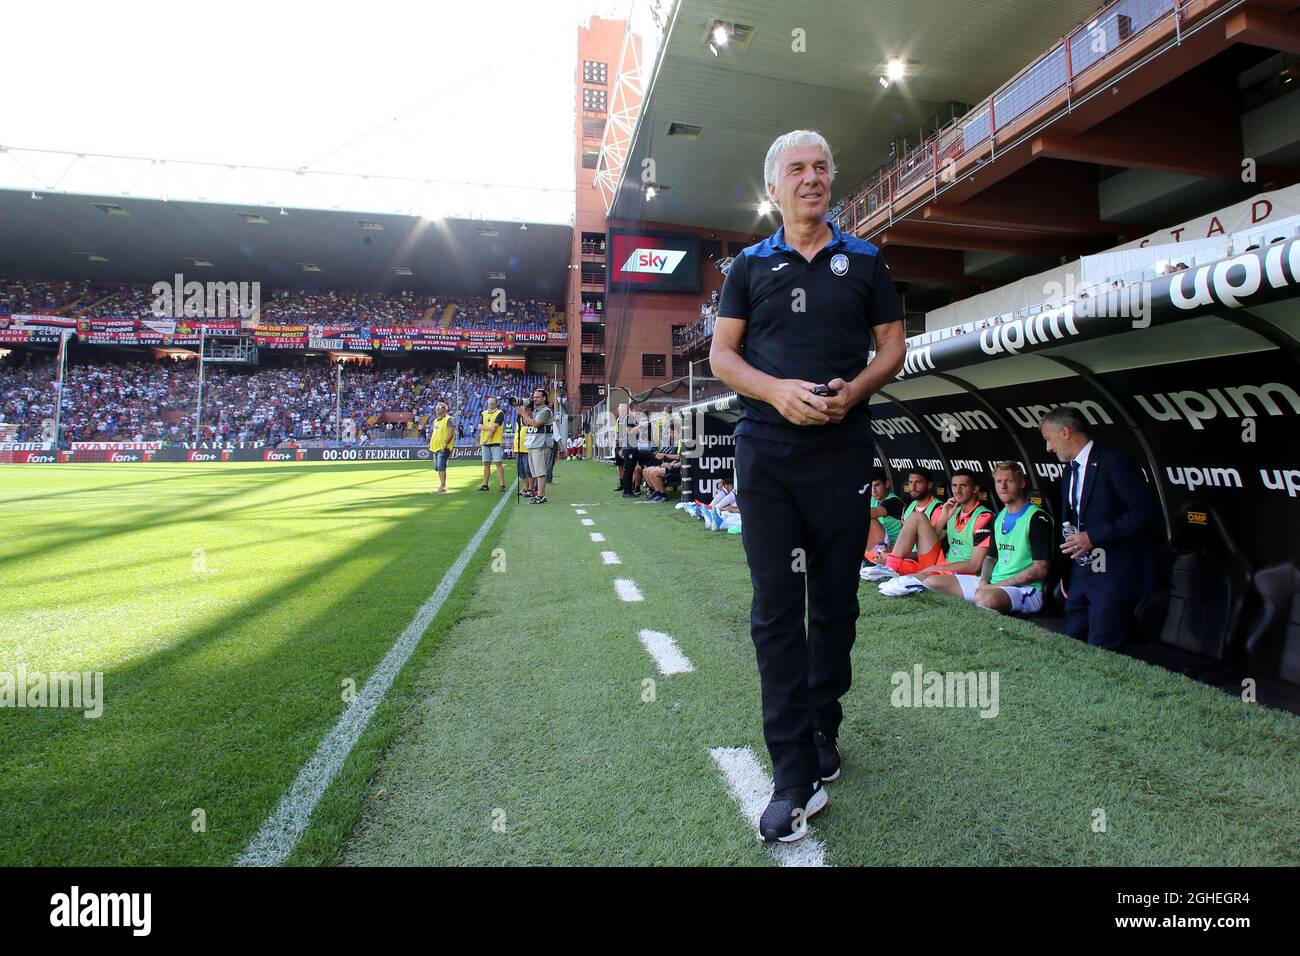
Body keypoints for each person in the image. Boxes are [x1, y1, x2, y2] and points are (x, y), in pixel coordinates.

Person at [708, 128, 906, 843]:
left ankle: (825, 722)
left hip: (843, 453)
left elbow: (893, 347)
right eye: (797, 168)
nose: (812, 177)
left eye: (822, 165)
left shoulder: (867, 260)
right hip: (765, 453)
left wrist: (851, 391)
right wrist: (777, 392)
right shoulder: (749, 267)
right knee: (774, 609)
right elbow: (722, 355)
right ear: (775, 187)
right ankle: (791, 774)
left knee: (836, 602)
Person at [1041, 406, 1163, 648]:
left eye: (1048, 439)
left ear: (1065, 432)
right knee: (1073, 640)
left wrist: (1094, 535)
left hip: (1114, 573)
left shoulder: (1114, 462)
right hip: (1082, 572)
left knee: (1103, 647)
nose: (1048, 448)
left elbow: (1147, 512)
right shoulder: (1070, 471)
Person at [912, 462, 1052, 612]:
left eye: (1009, 481)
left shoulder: (1037, 518)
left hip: (1025, 589)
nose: (1003, 486)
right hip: (993, 584)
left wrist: (997, 585)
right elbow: (990, 558)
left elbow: (1040, 569)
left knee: (986, 598)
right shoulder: (1000, 517)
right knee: (933, 582)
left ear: (1022, 483)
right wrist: (984, 582)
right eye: (999, 481)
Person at [877, 470, 995, 596]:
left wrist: (939, 568)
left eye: (963, 486)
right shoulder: (952, 510)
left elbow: (974, 565)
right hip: (942, 566)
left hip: (962, 573)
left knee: (920, 580)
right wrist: (944, 517)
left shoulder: (984, 516)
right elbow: (928, 540)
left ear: (975, 488)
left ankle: (903, 576)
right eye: (954, 486)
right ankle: (890, 568)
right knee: (917, 516)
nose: (957, 490)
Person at [861, 467, 943, 580]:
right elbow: (904, 540)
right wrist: (889, 552)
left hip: (920, 560)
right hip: (900, 555)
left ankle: (886, 565)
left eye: (918, 483)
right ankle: (879, 563)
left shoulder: (938, 508)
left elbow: (935, 548)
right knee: (870, 555)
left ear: (929, 485)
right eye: (910, 482)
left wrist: (892, 557)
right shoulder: (909, 507)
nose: (912, 487)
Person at [518, 386, 554, 504]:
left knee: (540, 472)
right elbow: (526, 424)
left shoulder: (545, 411)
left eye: (538, 397)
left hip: (541, 444)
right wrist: (523, 412)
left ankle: (541, 496)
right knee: (534, 472)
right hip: (533, 444)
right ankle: (538, 494)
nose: (535, 399)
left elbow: (535, 424)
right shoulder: (536, 412)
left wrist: (524, 414)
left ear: (544, 398)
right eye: (534, 397)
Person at [478, 396, 507, 492]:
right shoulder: (484, 413)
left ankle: (502, 485)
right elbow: (479, 426)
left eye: (492, 402)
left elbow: (494, 428)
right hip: (485, 442)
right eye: (489, 402)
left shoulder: (500, 413)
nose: (490, 404)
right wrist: (489, 428)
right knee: (486, 463)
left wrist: (486, 436)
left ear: (496, 403)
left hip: (495, 442)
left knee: (498, 463)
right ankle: (485, 484)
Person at [428, 401, 455, 494]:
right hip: (435, 447)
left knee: (441, 466)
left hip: (443, 447)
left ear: (444, 409)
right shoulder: (436, 420)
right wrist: (431, 442)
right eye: (437, 407)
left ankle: (442, 486)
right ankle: (443, 485)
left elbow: (451, 432)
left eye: (439, 407)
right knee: (437, 467)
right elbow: (435, 433)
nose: (437, 409)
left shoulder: (449, 419)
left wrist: (445, 444)